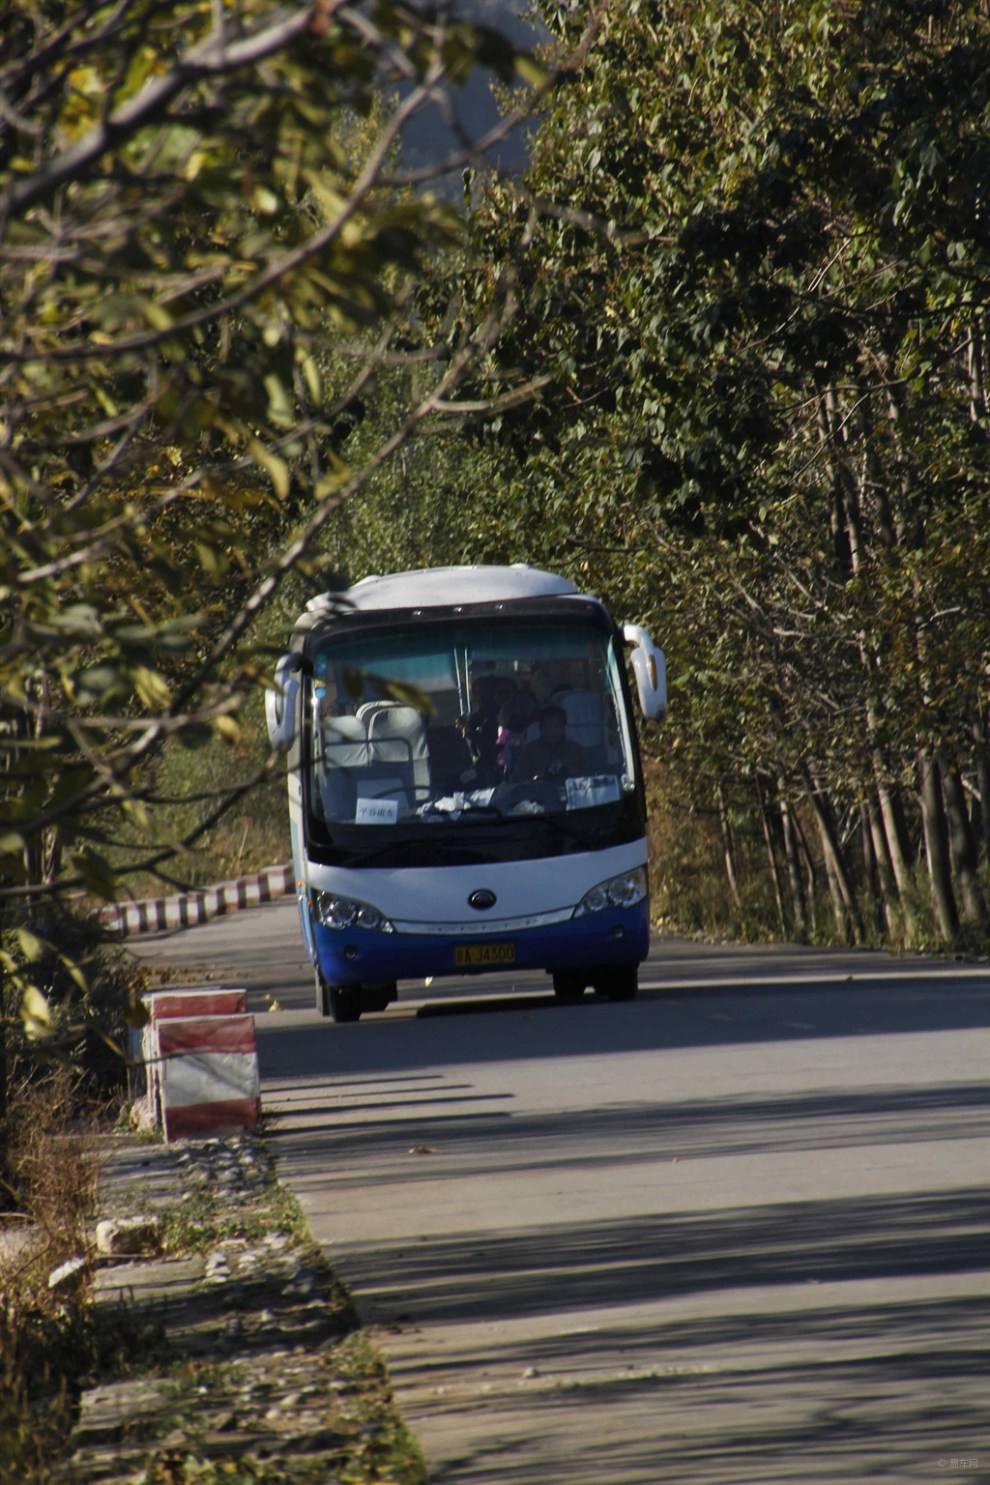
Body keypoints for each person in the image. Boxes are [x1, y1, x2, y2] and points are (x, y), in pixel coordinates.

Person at [514, 704, 587, 781]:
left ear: (564, 727)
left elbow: (588, 777)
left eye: (556, 726)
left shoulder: (576, 749)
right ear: (541, 729)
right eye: (547, 727)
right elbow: (519, 778)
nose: (552, 731)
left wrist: (572, 773)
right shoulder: (529, 751)